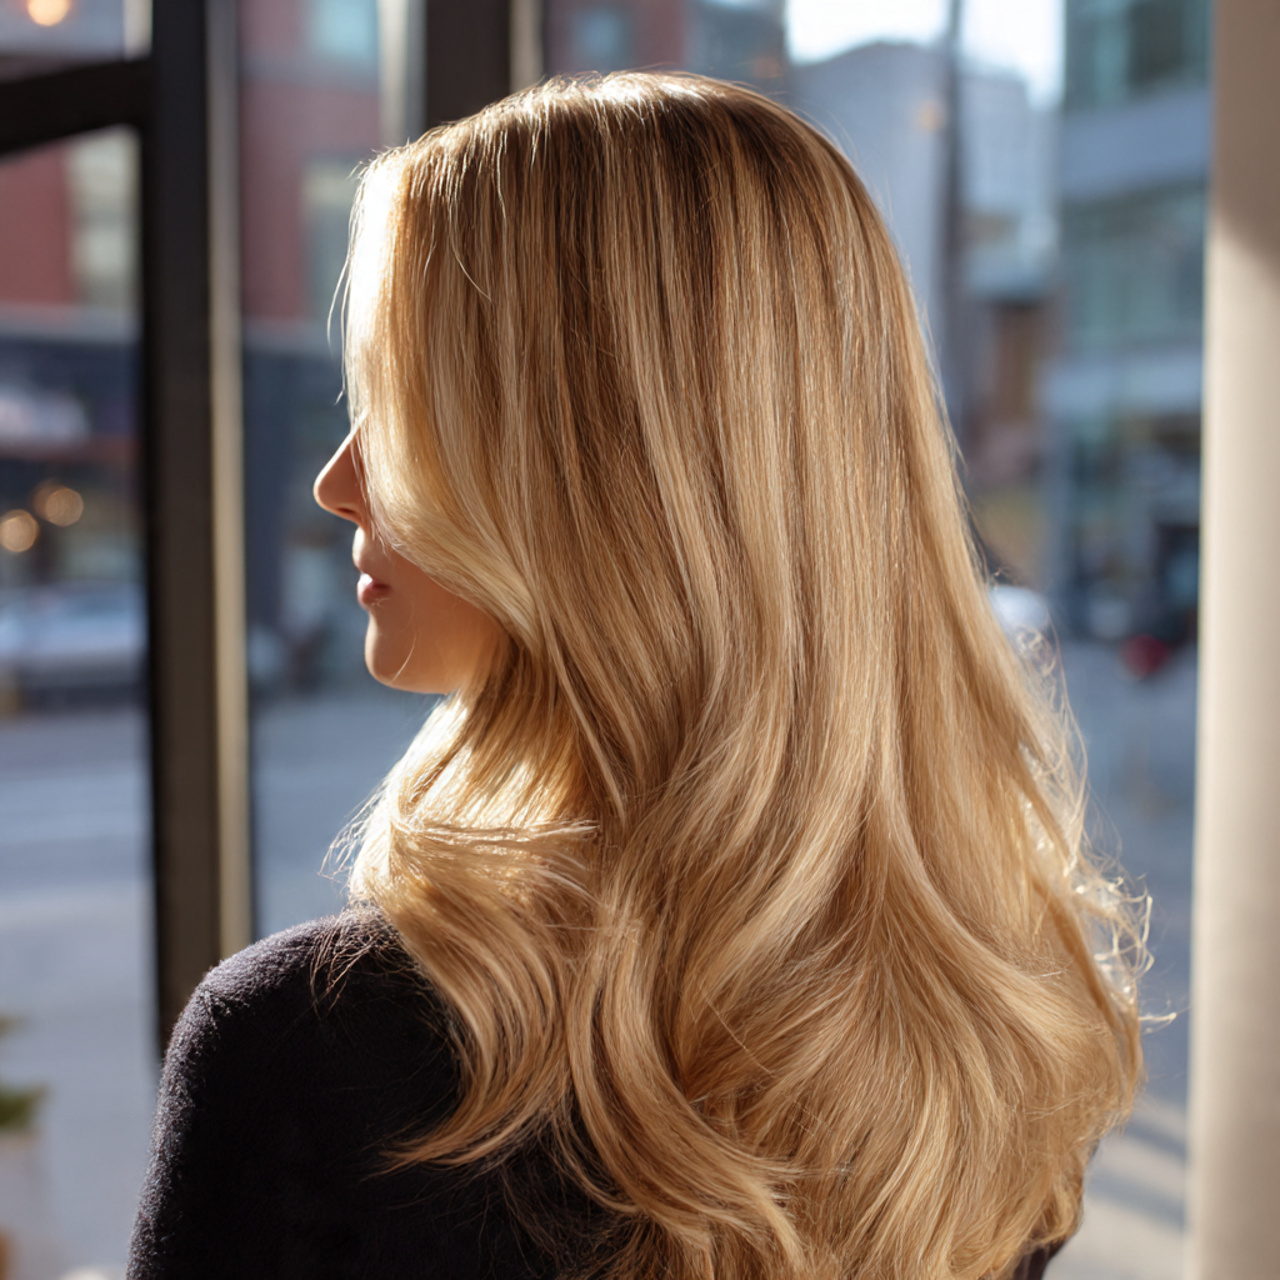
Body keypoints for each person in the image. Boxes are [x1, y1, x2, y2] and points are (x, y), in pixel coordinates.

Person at [127, 73, 1144, 1280]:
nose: (337, 483)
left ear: (586, 469)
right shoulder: (999, 1030)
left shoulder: (312, 1057)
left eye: (403, 413)